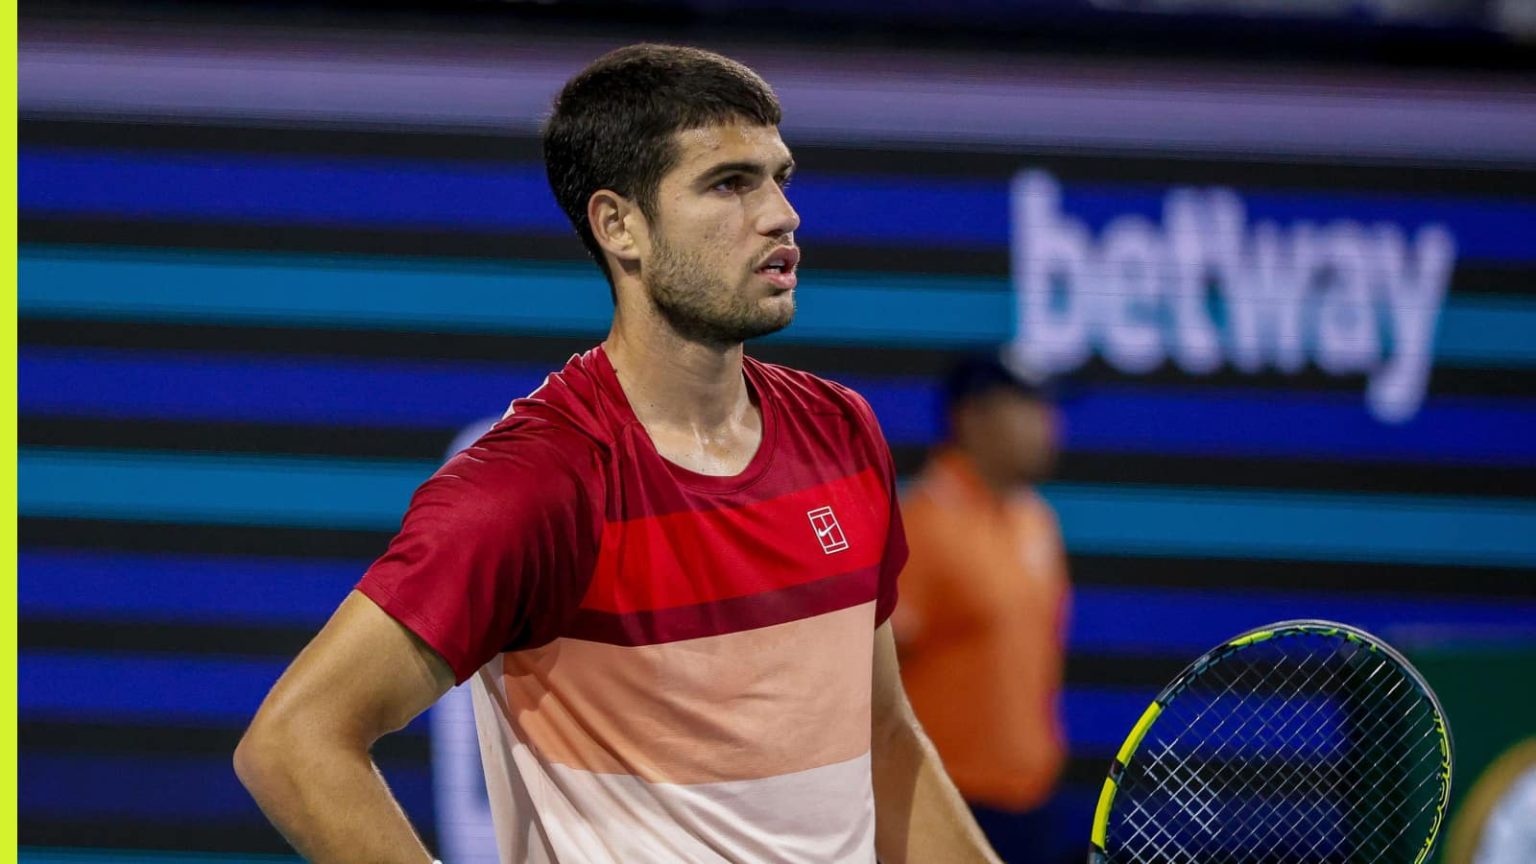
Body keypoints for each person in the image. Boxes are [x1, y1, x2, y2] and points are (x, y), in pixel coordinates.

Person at [234, 43, 1001, 864]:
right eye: (730, 183)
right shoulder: (534, 484)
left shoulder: (841, 431)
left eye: (779, 178)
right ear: (619, 226)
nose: (782, 215)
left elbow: (882, 735)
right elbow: (293, 741)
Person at [892, 352, 1073, 864]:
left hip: (1034, 803)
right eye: (1027, 407)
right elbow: (866, 673)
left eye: (1048, 408)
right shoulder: (919, 524)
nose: (1049, 425)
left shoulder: (1037, 519)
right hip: (947, 807)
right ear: (971, 418)